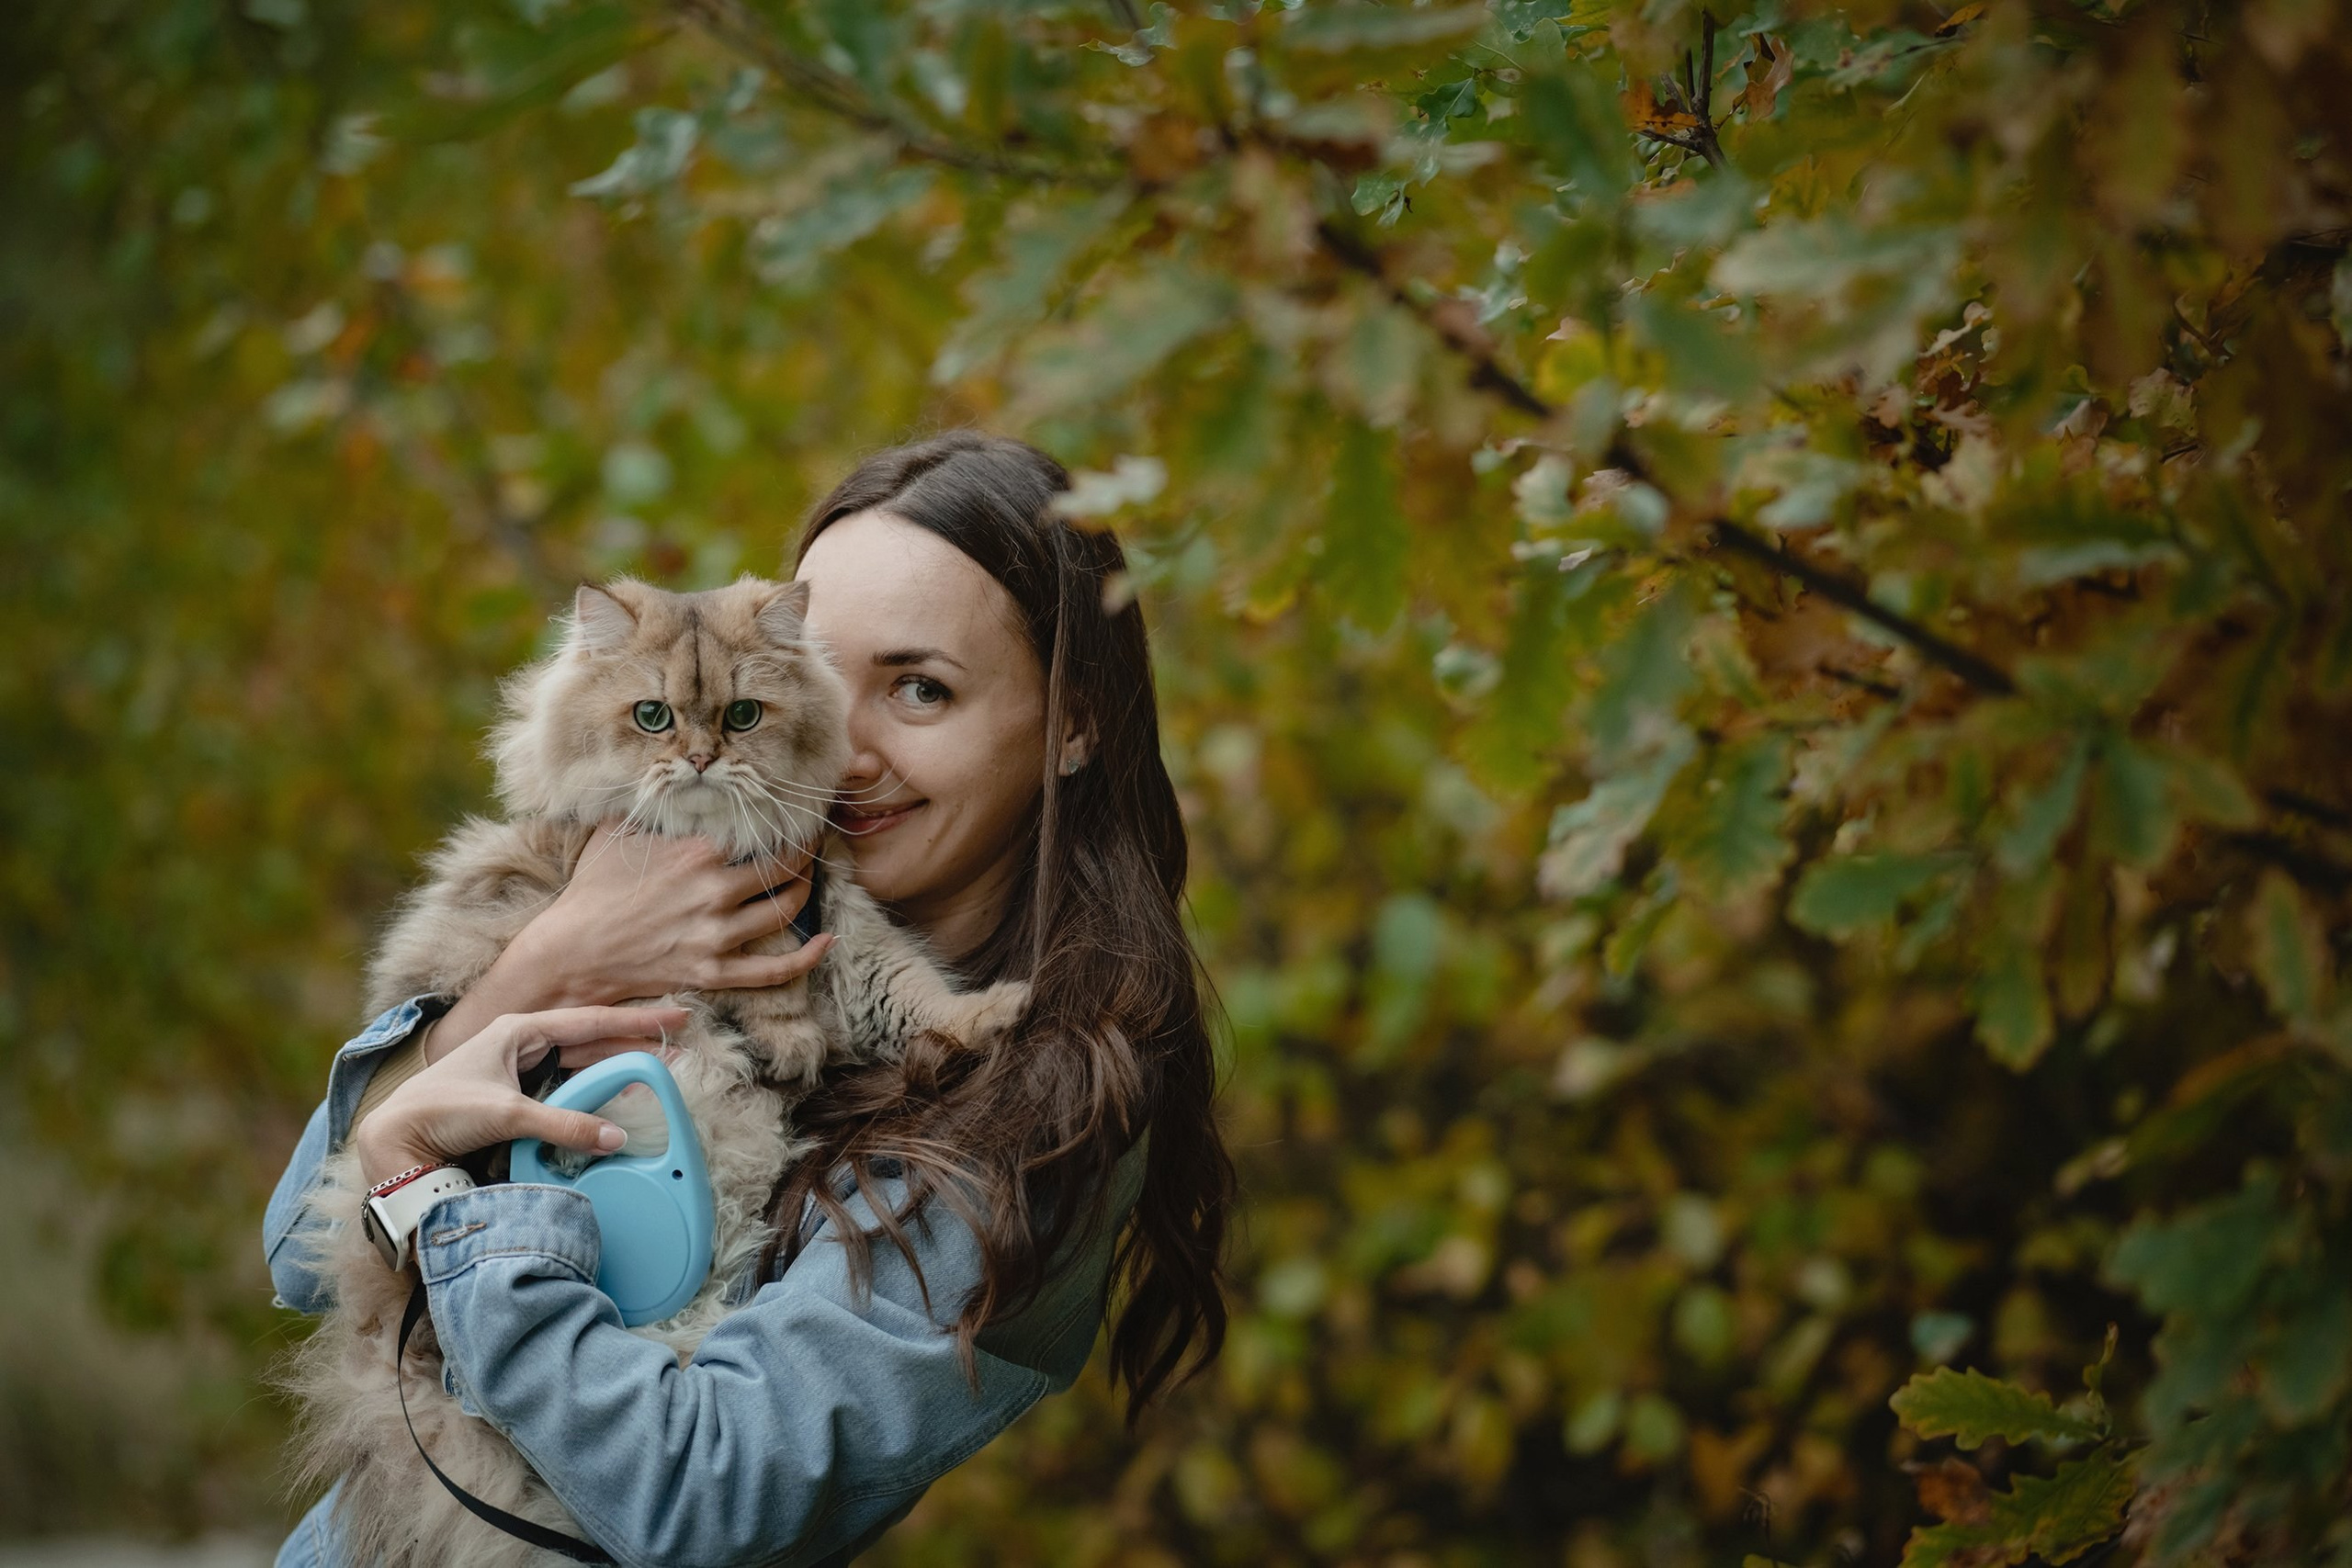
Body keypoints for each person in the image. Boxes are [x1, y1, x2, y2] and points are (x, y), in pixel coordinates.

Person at [261, 432, 1235, 1567]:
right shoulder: (648, 895)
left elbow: (703, 1495)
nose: (849, 751)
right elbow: (295, 1254)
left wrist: (437, 1206)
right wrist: (544, 971)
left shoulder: (1043, 1097)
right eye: (820, 674)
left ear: (1073, 725)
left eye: (922, 689)